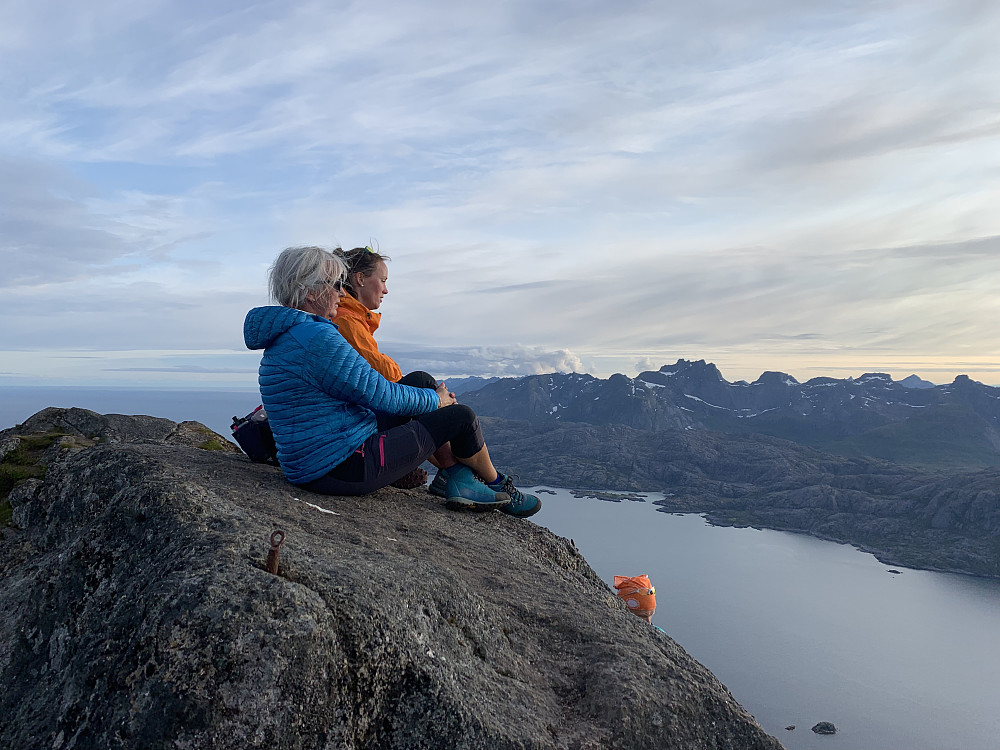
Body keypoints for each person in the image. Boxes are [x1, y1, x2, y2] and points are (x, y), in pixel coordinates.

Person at [243, 245, 541, 518]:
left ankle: (456, 478)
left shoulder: (290, 335)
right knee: (460, 417)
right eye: (335, 285)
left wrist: (428, 395)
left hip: (315, 463)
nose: (341, 293)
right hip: (342, 467)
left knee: (421, 382)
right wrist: (438, 400)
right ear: (310, 293)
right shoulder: (315, 337)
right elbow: (381, 394)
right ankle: (495, 483)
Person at [332, 245, 454, 498]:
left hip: (353, 416)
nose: (386, 289)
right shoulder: (346, 320)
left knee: (421, 387)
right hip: (353, 425)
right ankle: (453, 472)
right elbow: (385, 374)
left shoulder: (353, 319)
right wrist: (435, 400)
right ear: (360, 279)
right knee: (420, 383)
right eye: (383, 280)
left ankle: (449, 471)